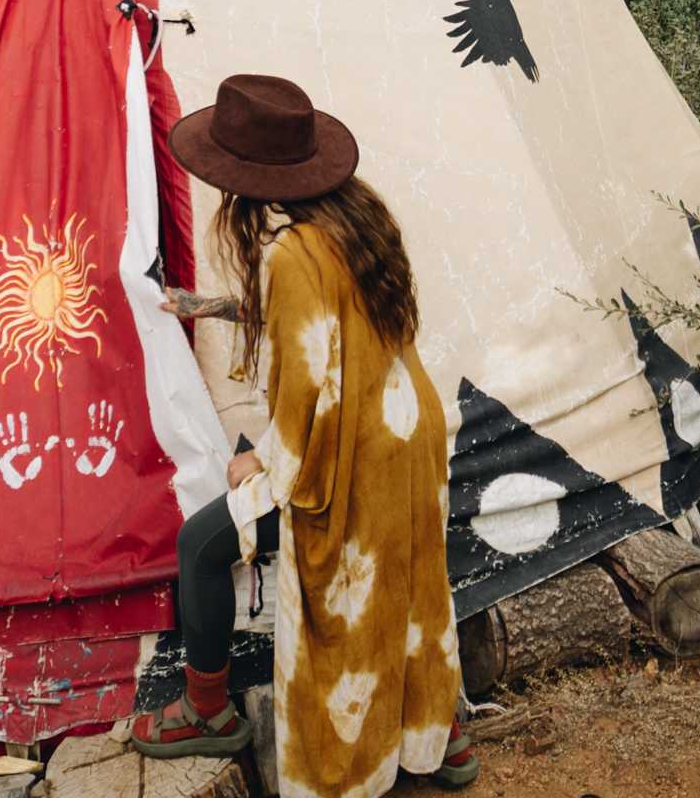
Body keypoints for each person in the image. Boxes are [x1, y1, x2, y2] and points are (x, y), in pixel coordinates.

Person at [129, 73, 473, 793]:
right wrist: (217, 306)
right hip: (410, 435)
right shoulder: (355, 218)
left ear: (243, 180)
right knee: (407, 583)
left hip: (352, 451)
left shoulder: (289, 253)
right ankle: (438, 732)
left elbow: (310, 377)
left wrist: (262, 461)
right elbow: (337, 326)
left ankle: (208, 708)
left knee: (200, 544)